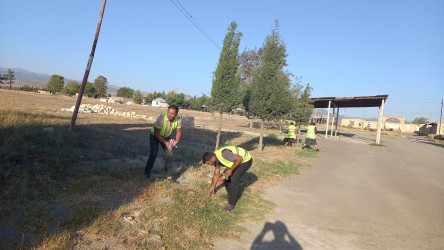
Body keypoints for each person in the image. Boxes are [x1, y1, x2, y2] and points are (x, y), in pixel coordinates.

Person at [202, 146, 252, 212]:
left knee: (234, 180)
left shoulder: (224, 154)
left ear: (212, 158)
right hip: (235, 161)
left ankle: (231, 204)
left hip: (245, 160)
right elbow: (216, 174)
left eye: (208, 163)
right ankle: (230, 195)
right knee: (226, 178)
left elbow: (239, 158)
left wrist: (231, 170)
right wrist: (212, 187)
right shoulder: (216, 160)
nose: (209, 164)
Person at [144, 105, 182, 181]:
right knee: (153, 154)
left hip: (166, 136)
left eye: (172, 113)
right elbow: (156, 132)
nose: (170, 115)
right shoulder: (161, 119)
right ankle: (147, 173)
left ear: (176, 114)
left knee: (169, 154)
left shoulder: (178, 119)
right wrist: (165, 142)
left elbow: (179, 131)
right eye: (168, 112)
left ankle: (168, 176)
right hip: (154, 135)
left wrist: (176, 142)